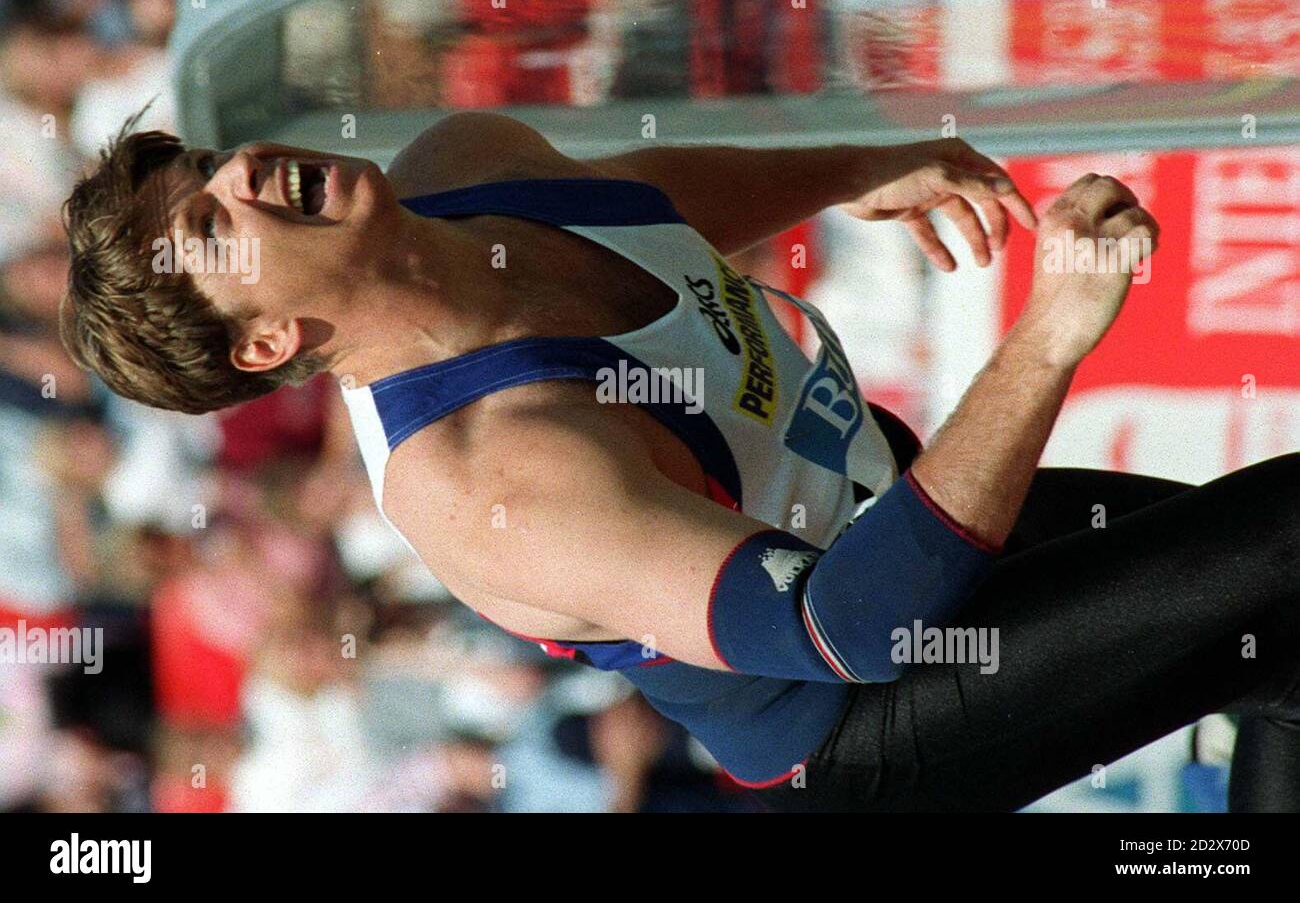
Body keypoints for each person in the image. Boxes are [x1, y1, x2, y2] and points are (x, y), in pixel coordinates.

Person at [60, 111, 1299, 811]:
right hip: (874, 709)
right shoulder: (492, 484)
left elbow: (648, 194)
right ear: (271, 342)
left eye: (210, 170)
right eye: (217, 223)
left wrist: (858, 168)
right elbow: (847, 625)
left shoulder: (458, 168)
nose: (246, 174)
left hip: (906, 509)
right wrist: (1047, 339)